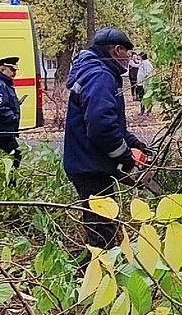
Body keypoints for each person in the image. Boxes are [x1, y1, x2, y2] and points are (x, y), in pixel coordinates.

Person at [63, 27, 151, 248]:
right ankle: (102, 274)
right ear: (117, 50)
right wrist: (126, 157)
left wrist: (134, 144)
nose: (128, 59)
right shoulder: (100, 76)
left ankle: (101, 268)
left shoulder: (95, 72)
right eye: (127, 54)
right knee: (101, 230)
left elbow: (109, 122)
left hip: (90, 163)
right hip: (90, 167)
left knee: (100, 222)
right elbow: (101, 127)